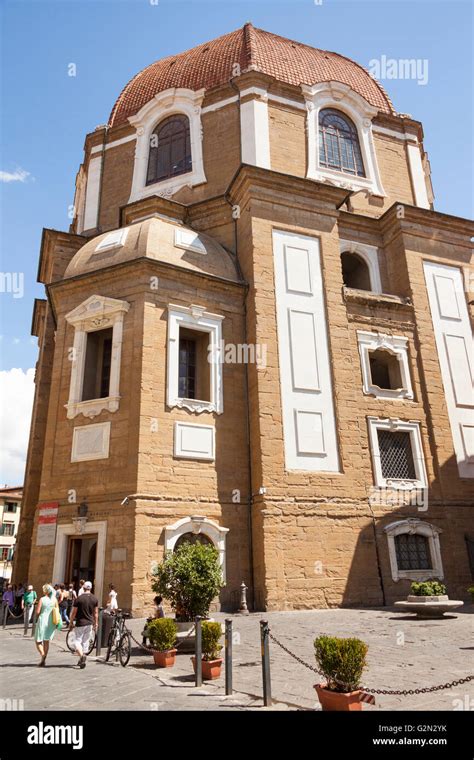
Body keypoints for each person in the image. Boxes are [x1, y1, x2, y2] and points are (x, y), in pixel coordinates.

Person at [68, 581, 98, 669]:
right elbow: (96, 612)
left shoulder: (79, 599)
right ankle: (82, 658)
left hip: (80, 622)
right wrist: (96, 623)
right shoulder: (94, 599)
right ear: (91, 588)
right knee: (85, 642)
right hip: (89, 623)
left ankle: (81, 656)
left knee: (77, 641)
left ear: (84, 588)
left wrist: (70, 622)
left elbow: (73, 612)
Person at [34, 584, 60, 666]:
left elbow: (37, 612)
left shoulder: (42, 599)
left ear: (45, 591)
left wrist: (37, 615)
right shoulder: (54, 600)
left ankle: (43, 655)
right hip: (51, 622)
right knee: (46, 640)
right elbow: (57, 610)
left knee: (38, 640)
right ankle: (44, 658)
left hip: (42, 620)